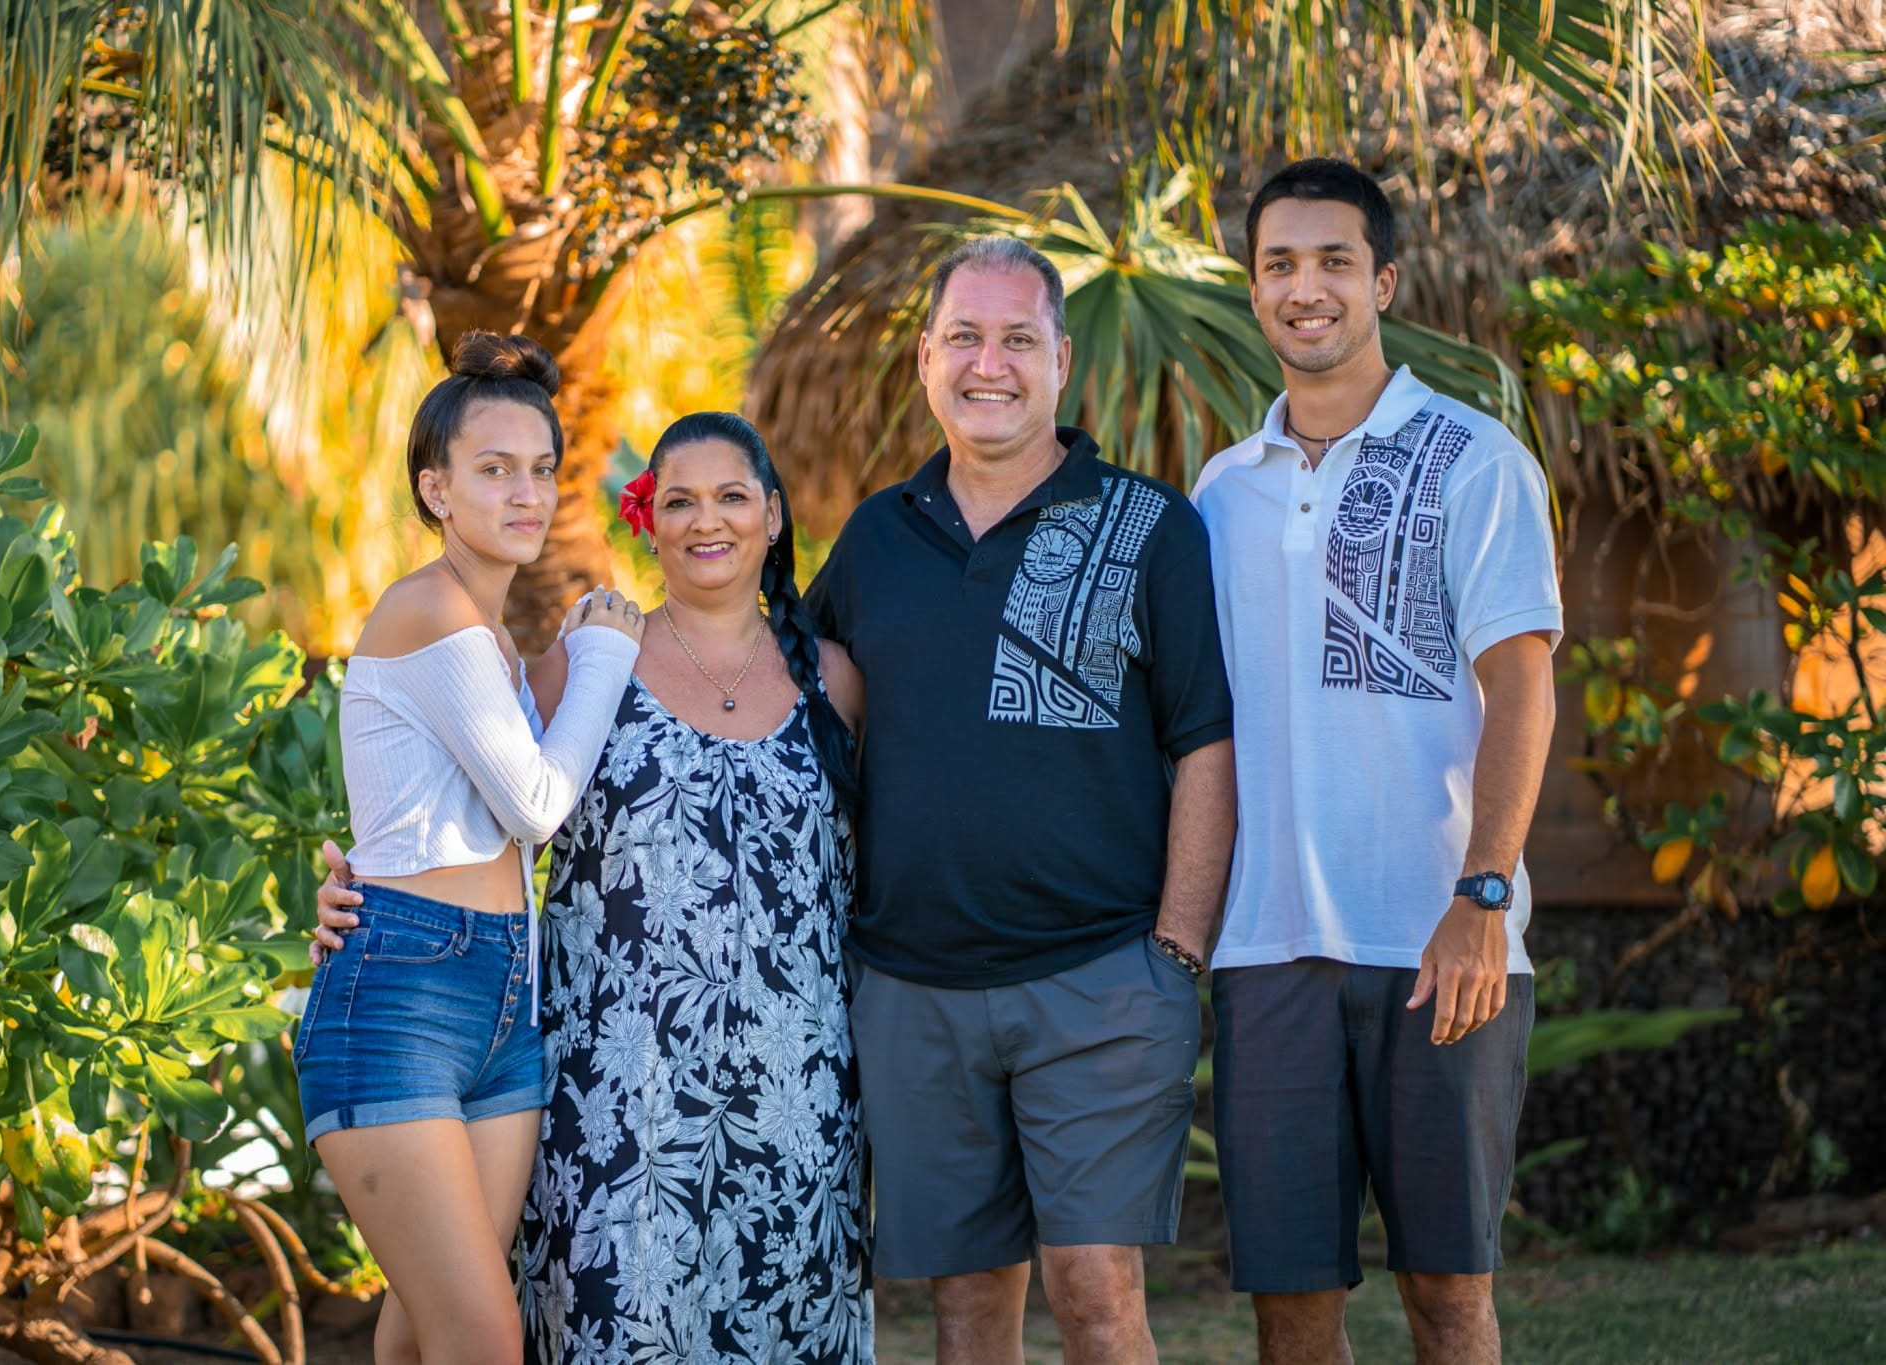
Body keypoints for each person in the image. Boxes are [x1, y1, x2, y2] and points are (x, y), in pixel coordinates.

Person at [316, 413, 871, 1362]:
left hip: (798, 1094)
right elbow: (456, 800)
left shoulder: (836, 682)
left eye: (733, 497)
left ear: (773, 517)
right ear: (646, 521)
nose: (708, 521)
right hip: (620, 1101)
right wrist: (350, 890)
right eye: (680, 500)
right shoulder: (578, 663)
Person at [804, 235, 1237, 1365]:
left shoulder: (1151, 527)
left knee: (1095, 1299)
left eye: (1013, 339)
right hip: (913, 988)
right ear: (923, 358)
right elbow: (763, 699)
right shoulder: (875, 538)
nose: (984, 364)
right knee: (963, 1315)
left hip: (1097, 980)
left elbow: (1204, 742)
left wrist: (1175, 950)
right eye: (962, 337)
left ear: (1058, 362)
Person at [1190, 158, 1561, 1365]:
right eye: (1279, 264)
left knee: (1446, 1300)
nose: (1306, 289)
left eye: (1333, 261)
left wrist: (1482, 895)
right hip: (1265, 952)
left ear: (1382, 281)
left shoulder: (1475, 459)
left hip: (1438, 943)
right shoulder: (1218, 494)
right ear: (1253, 290)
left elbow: (1521, 686)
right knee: (1289, 1313)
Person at [293, 331, 644, 1365]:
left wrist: (564, 660)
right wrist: (603, 656)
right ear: (435, 489)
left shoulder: (486, 644)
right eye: (495, 470)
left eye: (541, 469)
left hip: (501, 997)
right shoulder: (428, 610)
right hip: (400, 992)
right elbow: (537, 806)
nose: (526, 493)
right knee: (486, 1340)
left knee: (420, 1340)